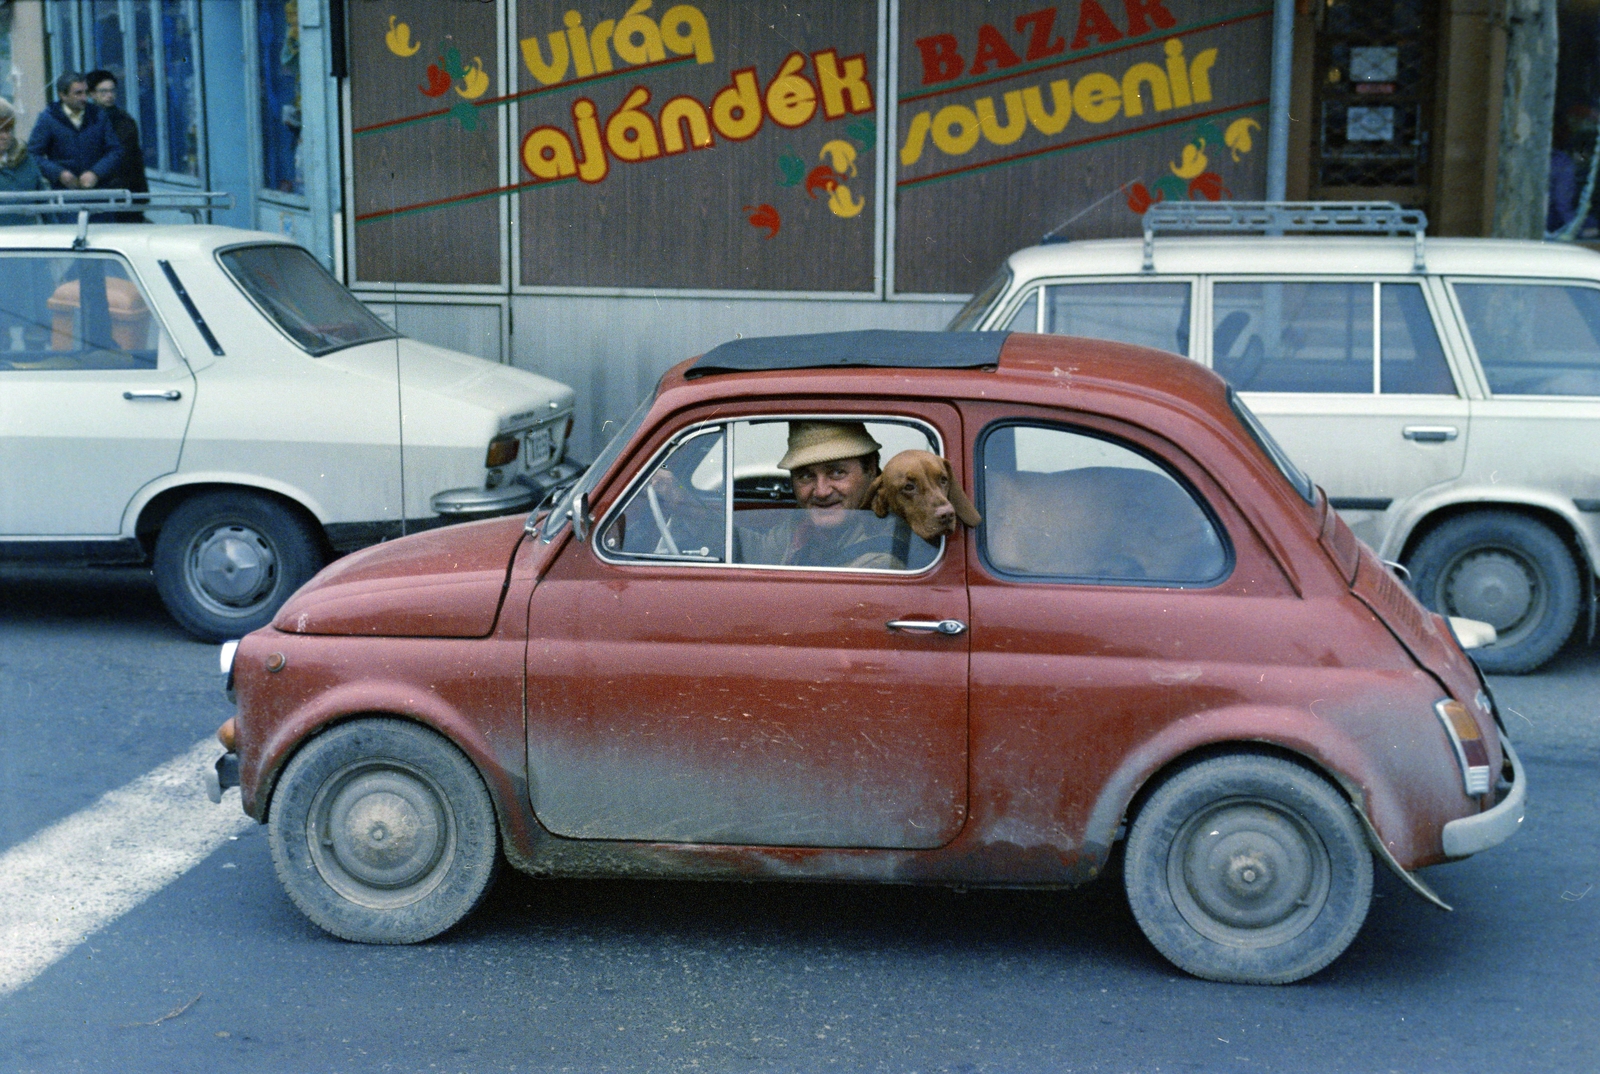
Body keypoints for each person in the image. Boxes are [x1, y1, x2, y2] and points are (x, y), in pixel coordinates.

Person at [737, 420, 908, 569]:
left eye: (837, 472)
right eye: (806, 476)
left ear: (870, 468)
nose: (821, 492)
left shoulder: (881, 556)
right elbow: (761, 550)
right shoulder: (805, 525)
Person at [27, 72, 122, 194]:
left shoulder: (98, 115)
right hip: (64, 193)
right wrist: (59, 173)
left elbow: (115, 150)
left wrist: (96, 173)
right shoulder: (49, 118)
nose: (84, 98)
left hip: (98, 191)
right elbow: (33, 154)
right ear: (63, 95)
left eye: (85, 92)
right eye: (78, 93)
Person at [85, 70, 147, 221]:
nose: (109, 95)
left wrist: (141, 195)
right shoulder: (86, 122)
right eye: (104, 91)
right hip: (98, 191)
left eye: (112, 91)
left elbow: (134, 158)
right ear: (92, 94)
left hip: (126, 191)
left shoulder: (124, 120)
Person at [0, 98, 50, 223]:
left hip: (26, 233)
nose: (5, 136)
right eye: (0, 130)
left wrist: (55, 232)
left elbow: (45, 205)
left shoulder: (25, 160)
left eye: (8, 130)